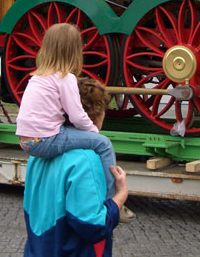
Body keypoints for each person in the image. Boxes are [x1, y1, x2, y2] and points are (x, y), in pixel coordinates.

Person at [23, 78, 129, 257]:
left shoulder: (38, 156)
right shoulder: (87, 160)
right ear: (97, 115)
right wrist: (119, 197)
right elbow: (93, 226)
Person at [16, 23, 121, 202]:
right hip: (45, 139)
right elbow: (77, 116)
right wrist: (95, 133)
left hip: (26, 141)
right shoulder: (65, 78)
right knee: (103, 144)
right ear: (74, 51)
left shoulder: (37, 77)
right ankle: (112, 199)